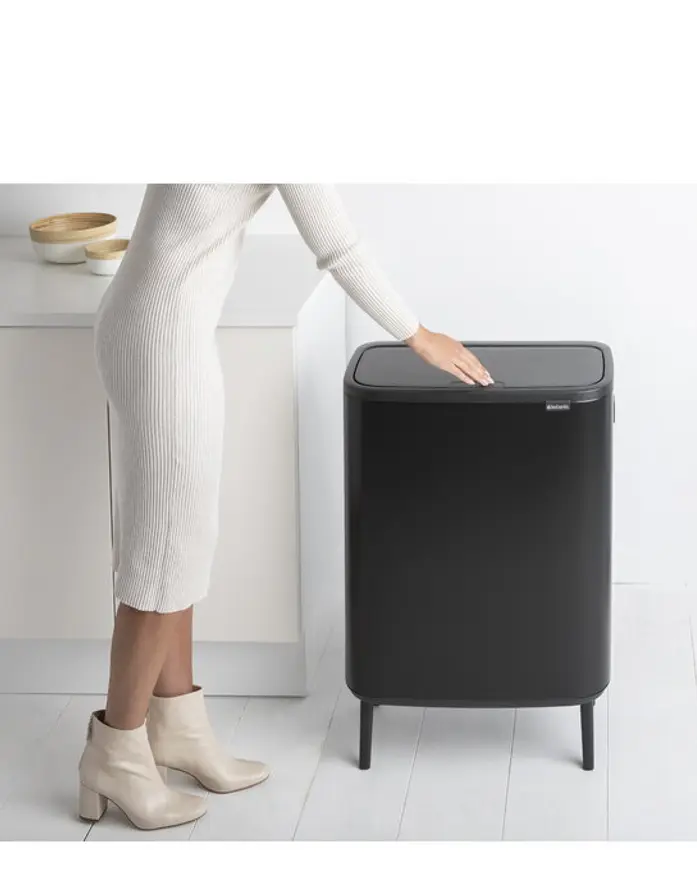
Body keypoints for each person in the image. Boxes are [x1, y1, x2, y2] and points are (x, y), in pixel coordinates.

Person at [78, 184, 493, 830]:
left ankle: (177, 725)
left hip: (155, 324)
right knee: (161, 556)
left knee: (181, 541)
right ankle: (116, 753)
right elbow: (338, 245)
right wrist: (419, 336)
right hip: (163, 338)